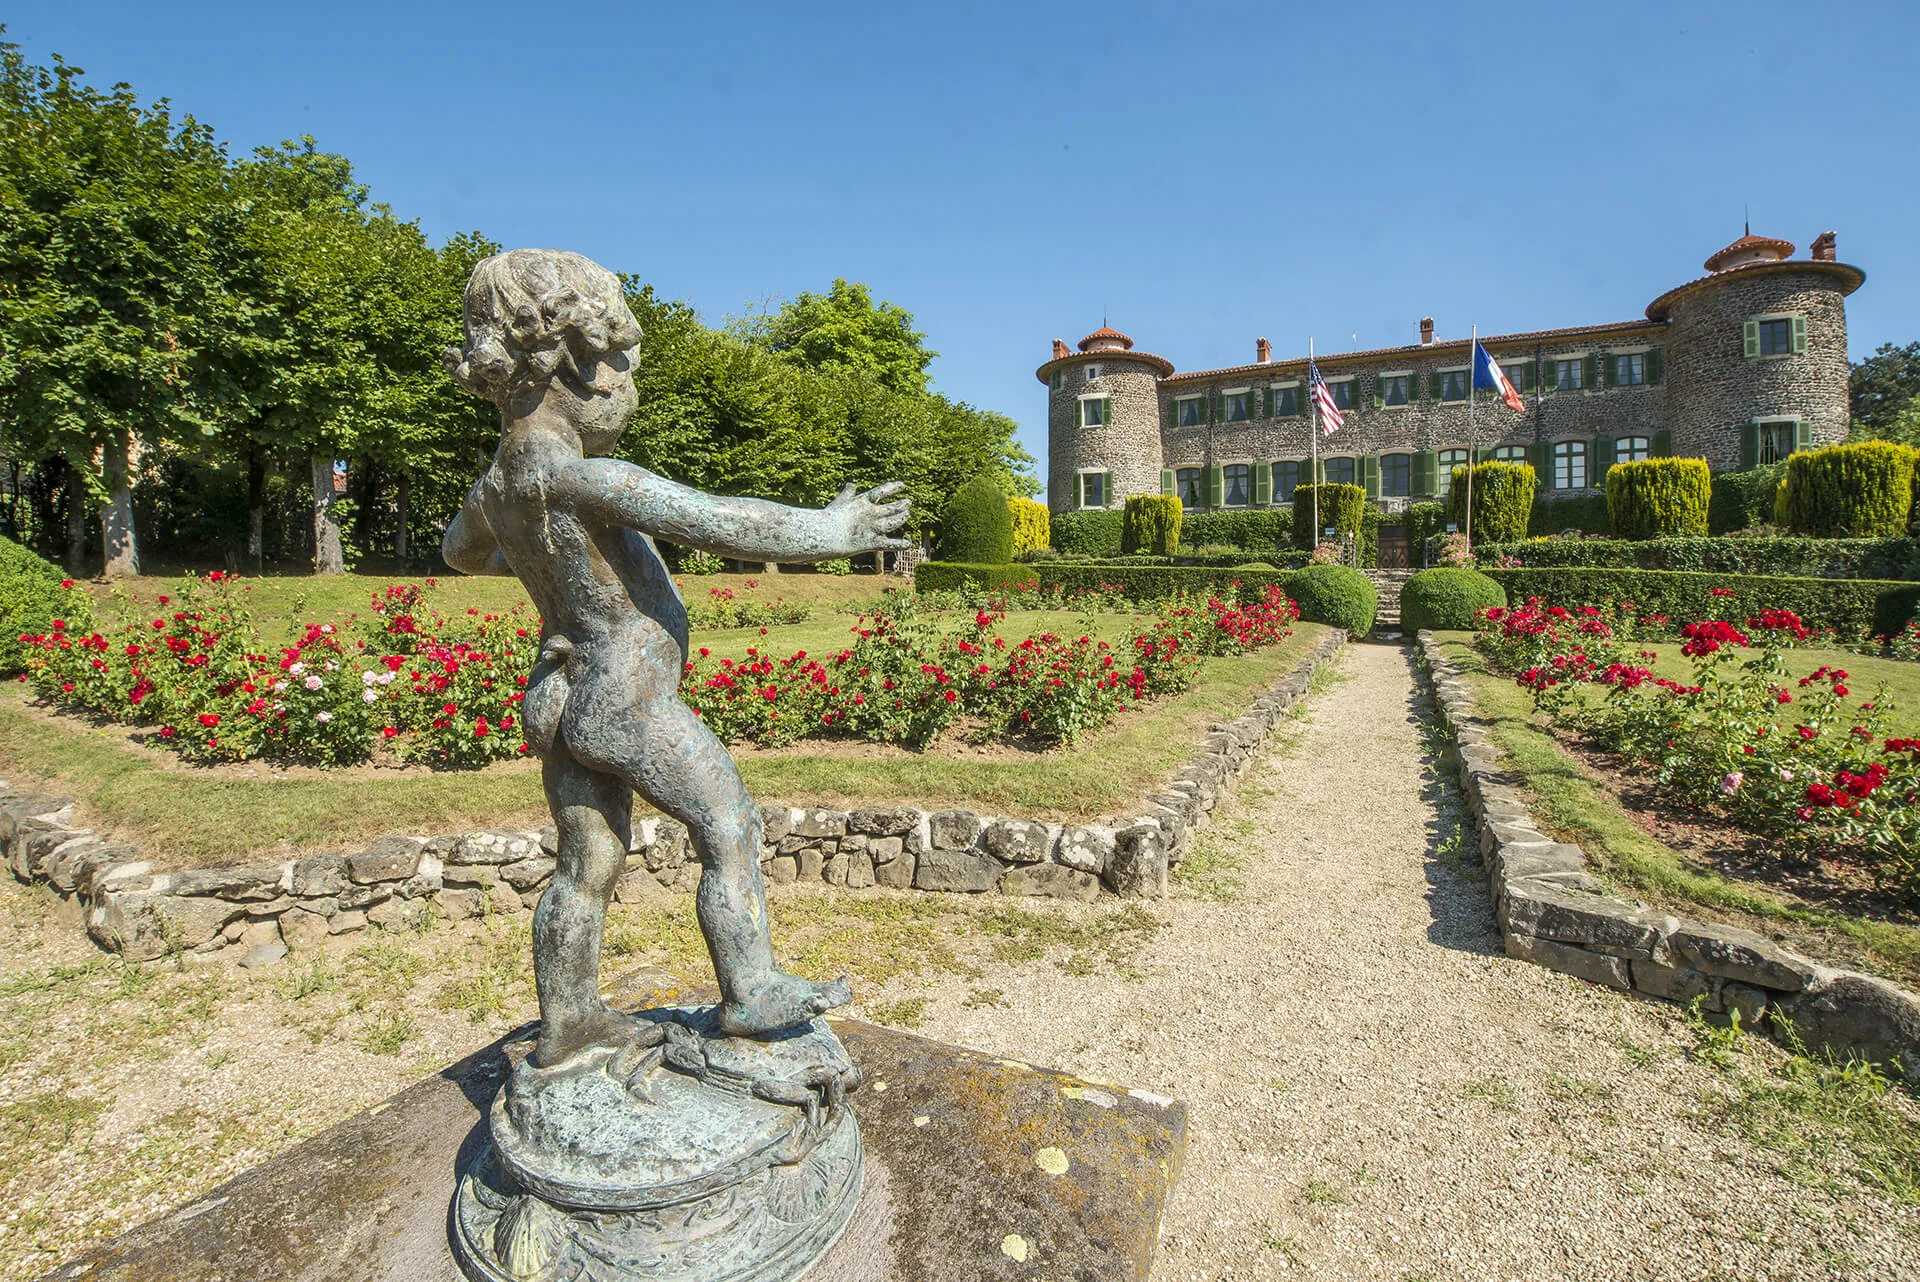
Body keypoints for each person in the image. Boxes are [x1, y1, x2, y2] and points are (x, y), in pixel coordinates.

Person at [441, 249, 911, 1066]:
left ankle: (571, 1018)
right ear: (581, 367)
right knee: (728, 824)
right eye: (626, 367)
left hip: (557, 689)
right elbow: (714, 518)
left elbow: (458, 553)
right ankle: (752, 989)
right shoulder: (581, 475)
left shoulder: (498, 485)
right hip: (626, 693)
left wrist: (538, 562)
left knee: (586, 863)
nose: (630, 384)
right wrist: (831, 533)